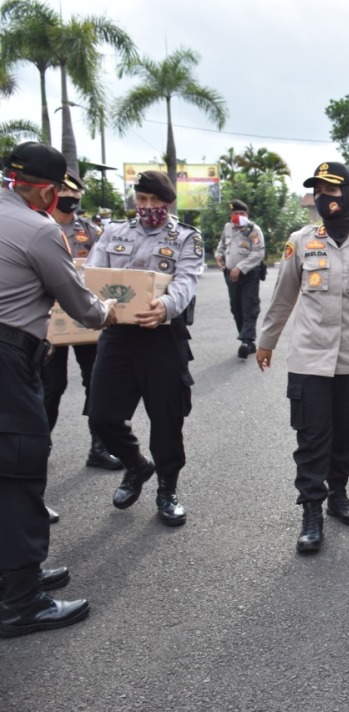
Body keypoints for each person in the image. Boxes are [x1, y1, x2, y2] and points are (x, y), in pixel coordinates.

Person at [0, 141, 115, 638]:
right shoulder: (40, 229)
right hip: (8, 358)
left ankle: (11, 578)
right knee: (21, 469)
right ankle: (22, 601)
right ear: (48, 190)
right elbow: (80, 305)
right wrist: (109, 312)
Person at [257, 161, 349, 553]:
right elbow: (283, 296)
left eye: (333, 191)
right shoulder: (301, 240)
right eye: (319, 192)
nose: (325, 199)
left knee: (344, 434)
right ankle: (311, 510)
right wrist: (266, 341)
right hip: (310, 360)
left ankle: (338, 495)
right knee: (311, 437)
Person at [85, 170, 203, 527]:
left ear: (168, 202)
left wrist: (165, 306)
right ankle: (136, 465)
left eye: (155, 201)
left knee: (166, 419)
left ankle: (168, 489)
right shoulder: (113, 232)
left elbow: (187, 280)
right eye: (142, 200)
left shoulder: (185, 237)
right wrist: (95, 306)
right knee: (101, 415)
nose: (148, 207)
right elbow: (93, 274)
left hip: (162, 337)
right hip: (118, 334)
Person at [40, 170, 122, 471]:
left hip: (88, 319)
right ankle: (40, 446)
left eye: (76, 193)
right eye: (65, 191)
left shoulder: (90, 230)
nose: (71, 198)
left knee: (96, 383)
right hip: (50, 322)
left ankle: (98, 448)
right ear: (52, 192)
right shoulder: (39, 226)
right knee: (51, 386)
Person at [215, 198, 266, 359]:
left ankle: (246, 340)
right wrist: (218, 255)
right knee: (235, 307)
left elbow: (259, 252)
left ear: (247, 214)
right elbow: (222, 244)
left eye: (241, 213)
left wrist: (240, 267)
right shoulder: (228, 227)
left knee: (249, 306)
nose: (238, 216)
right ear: (231, 215)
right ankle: (248, 343)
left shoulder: (253, 230)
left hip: (249, 274)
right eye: (235, 213)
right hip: (230, 274)